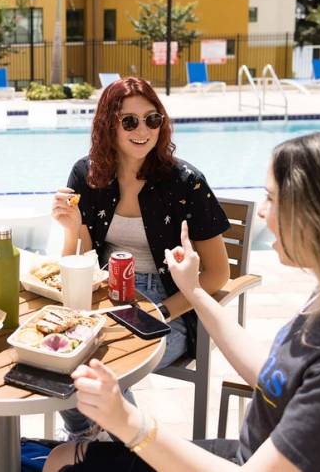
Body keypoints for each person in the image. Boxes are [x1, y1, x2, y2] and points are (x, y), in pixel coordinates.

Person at [44, 128, 320, 472]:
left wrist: (129, 421)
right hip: (245, 454)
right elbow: (272, 376)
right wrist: (192, 289)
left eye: (272, 198)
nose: (263, 214)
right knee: (62, 457)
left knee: (66, 461)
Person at [50, 76, 230, 441]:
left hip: (170, 308)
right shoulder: (87, 175)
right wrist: (71, 229)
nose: (143, 130)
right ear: (107, 125)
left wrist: (160, 311)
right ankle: (90, 439)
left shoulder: (185, 182)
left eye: (152, 119)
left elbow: (218, 274)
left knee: (99, 371)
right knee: (55, 360)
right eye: (129, 121)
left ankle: (119, 447)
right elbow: (74, 261)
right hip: (105, 299)